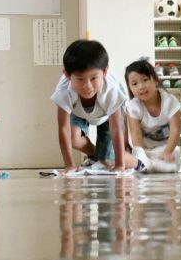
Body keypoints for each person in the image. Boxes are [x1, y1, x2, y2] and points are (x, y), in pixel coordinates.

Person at [51, 38, 129, 173]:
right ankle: (95, 154)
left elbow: (116, 129)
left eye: (94, 78)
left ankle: (138, 161)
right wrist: (69, 165)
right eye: (80, 79)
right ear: (67, 75)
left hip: (107, 115)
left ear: (104, 72)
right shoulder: (64, 91)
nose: (87, 86)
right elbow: (64, 129)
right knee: (73, 139)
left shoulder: (111, 91)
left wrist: (120, 164)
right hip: (79, 111)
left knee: (107, 162)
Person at [124, 58, 181, 172]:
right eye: (134, 84)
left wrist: (167, 152)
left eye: (145, 80)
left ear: (155, 80)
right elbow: (136, 136)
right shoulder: (134, 106)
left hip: (164, 149)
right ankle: (146, 165)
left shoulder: (170, 102)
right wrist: (141, 155)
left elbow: (175, 130)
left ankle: (148, 167)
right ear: (130, 88)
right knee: (130, 157)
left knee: (176, 154)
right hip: (144, 150)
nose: (140, 87)